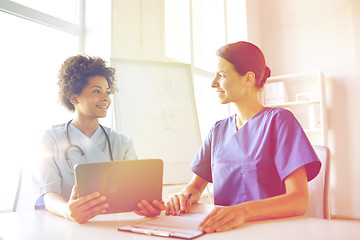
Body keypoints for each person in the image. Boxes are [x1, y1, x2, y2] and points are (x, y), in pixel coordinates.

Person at [164, 41, 321, 233]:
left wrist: (243, 212)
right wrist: (182, 197)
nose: (213, 84)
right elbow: (195, 186)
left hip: (274, 232)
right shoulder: (217, 130)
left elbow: (299, 200)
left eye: (221, 76)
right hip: (224, 232)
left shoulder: (279, 121)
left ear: (248, 79)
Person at [32, 55, 164, 223]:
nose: (106, 98)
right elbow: (48, 194)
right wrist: (67, 212)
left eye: (107, 92)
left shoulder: (122, 142)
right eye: (96, 91)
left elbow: (134, 192)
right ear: (74, 98)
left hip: (113, 226)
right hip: (64, 226)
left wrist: (146, 206)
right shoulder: (48, 138)